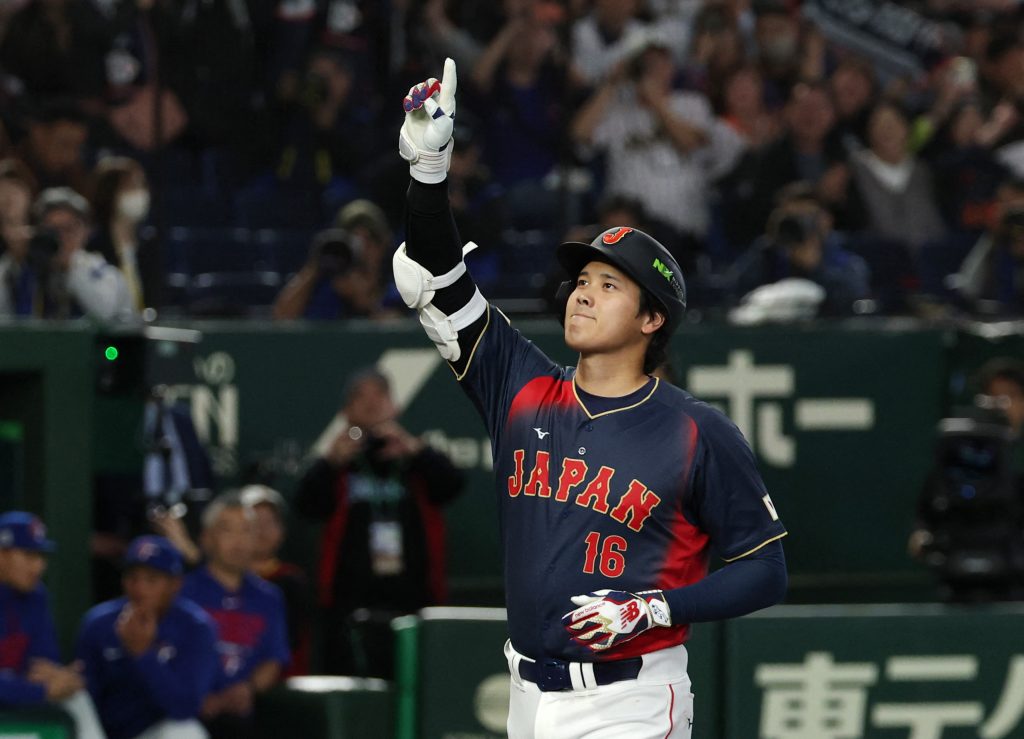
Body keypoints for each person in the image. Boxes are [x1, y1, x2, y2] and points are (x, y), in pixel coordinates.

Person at [396, 59, 787, 737]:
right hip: (526, 692)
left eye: (610, 286)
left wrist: (655, 608)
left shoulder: (696, 431)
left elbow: (766, 569)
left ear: (652, 318)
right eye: (583, 280)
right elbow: (439, 274)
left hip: (630, 697)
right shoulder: (521, 384)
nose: (583, 292)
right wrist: (429, 169)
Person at [293, 366, 464, 677]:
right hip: (348, 606)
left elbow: (451, 486)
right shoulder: (339, 465)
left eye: (380, 395)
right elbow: (307, 506)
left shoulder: (414, 460)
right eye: (361, 396)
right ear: (346, 411)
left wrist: (414, 450)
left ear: (394, 406)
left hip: (413, 601)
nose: (371, 403)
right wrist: (330, 463)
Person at [77, 534, 215, 739]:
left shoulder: (195, 627)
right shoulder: (98, 623)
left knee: (186, 732)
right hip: (101, 732)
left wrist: (143, 654)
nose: (139, 588)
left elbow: (185, 707)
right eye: (132, 577)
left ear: (175, 584)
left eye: (152, 579)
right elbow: (89, 697)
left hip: (154, 733)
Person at [180, 492, 289, 739]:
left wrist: (247, 689)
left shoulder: (270, 597)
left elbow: (274, 659)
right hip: (189, 711)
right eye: (227, 530)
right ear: (206, 538)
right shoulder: (183, 592)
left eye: (247, 531)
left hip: (244, 716)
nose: (238, 542)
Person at [0, 512, 106, 739]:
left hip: (16, 694)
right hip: (17, 693)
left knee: (77, 697)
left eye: (41, 557)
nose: (38, 566)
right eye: (29, 555)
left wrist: (60, 679)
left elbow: (45, 662)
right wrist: (41, 690)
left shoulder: (35, 596)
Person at [0, 187, 135, 320]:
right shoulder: (25, 266)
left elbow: (104, 313)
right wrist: (15, 260)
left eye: (69, 229)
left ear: (85, 231)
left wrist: (69, 266)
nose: (61, 238)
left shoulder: (99, 270)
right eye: (52, 231)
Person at [238, 485, 311, 677]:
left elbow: (288, 642)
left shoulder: (291, 580)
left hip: (280, 683)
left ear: (282, 531)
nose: (262, 530)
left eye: (270, 522)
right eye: (254, 522)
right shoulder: (221, 578)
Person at [87, 156, 160, 313]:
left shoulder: (149, 245)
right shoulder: (93, 246)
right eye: (130, 187)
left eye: (142, 186)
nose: (139, 194)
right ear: (110, 193)